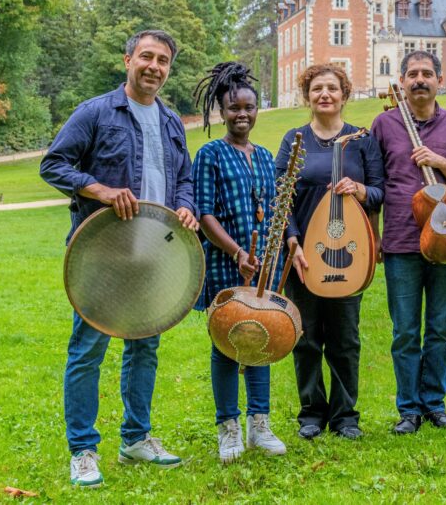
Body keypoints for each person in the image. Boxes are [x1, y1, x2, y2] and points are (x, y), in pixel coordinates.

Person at [40, 30, 199, 488]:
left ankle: (136, 438)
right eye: (146, 56)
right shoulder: (95, 112)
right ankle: (83, 450)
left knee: (145, 344)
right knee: (88, 350)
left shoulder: (171, 121)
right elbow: (54, 164)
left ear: (169, 69)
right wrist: (102, 190)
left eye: (163, 60)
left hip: (155, 254)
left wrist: (185, 205)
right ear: (127, 59)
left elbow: (183, 178)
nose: (154, 66)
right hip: (102, 252)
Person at [370, 50, 446, 434]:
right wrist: (374, 236)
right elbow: (375, 182)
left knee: (440, 327)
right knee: (404, 330)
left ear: (439, 80)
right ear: (402, 81)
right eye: (413, 74)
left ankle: (434, 403)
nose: (420, 79)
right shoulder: (384, 125)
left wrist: (440, 161)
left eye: (427, 74)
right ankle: (409, 410)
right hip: (401, 240)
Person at [278, 64, 385, 440]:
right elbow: (282, 195)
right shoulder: (294, 140)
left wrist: (359, 189)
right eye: (317, 88)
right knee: (305, 336)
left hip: (348, 251)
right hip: (304, 253)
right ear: (307, 96)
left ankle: (345, 416)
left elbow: (379, 192)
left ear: (344, 94)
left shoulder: (362, 141)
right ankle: (311, 412)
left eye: (332, 88)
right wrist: (292, 239)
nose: (325, 94)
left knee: (344, 338)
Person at [191, 62, 287, 463]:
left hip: (265, 266)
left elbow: (275, 208)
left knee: (262, 338)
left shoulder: (265, 157)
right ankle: (227, 426)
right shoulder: (211, 154)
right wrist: (237, 252)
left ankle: (259, 424)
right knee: (228, 342)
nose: (242, 114)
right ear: (221, 111)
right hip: (227, 263)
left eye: (249, 106)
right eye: (234, 108)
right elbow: (205, 213)